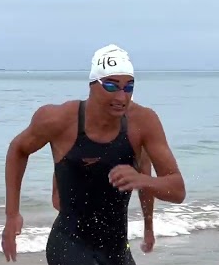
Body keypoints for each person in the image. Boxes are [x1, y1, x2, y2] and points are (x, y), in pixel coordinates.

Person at [2, 44, 185, 265]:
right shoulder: (58, 119)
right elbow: (18, 149)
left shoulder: (143, 122)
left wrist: (143, 184)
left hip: (117, 252)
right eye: (111, 86)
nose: (121, 96)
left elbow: (177, 189)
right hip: (70, 245)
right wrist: (12, 214)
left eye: (129, 86)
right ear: (92, 83)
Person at [50, 101, 157, 253]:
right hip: (75, 241)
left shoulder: (138, 146)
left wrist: (148, 229)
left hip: (117, 244)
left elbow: (146, 190)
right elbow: (56, 199)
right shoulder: (77, 145)